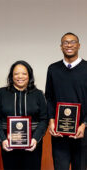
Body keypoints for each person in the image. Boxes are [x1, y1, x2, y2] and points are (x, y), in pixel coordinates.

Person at [0, 60, 48, 170]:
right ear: (11, 76)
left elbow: (44, 119)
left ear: (29, 75)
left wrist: (35, 139)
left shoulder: (38, 94)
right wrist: (3, 140)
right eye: (16, 73)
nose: (20, 76)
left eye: (24, 73)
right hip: (8, 143)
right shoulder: (1, 93)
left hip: (32, 144)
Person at [45, 32, 87, 170]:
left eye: (73, 42)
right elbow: (49, 98)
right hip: (59, 132)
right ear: (61, 47)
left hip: (82, 132)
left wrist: (84, 124)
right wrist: (51, 120)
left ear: (79, 45)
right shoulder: (53, 69)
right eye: (65, 42)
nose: (69, 45)